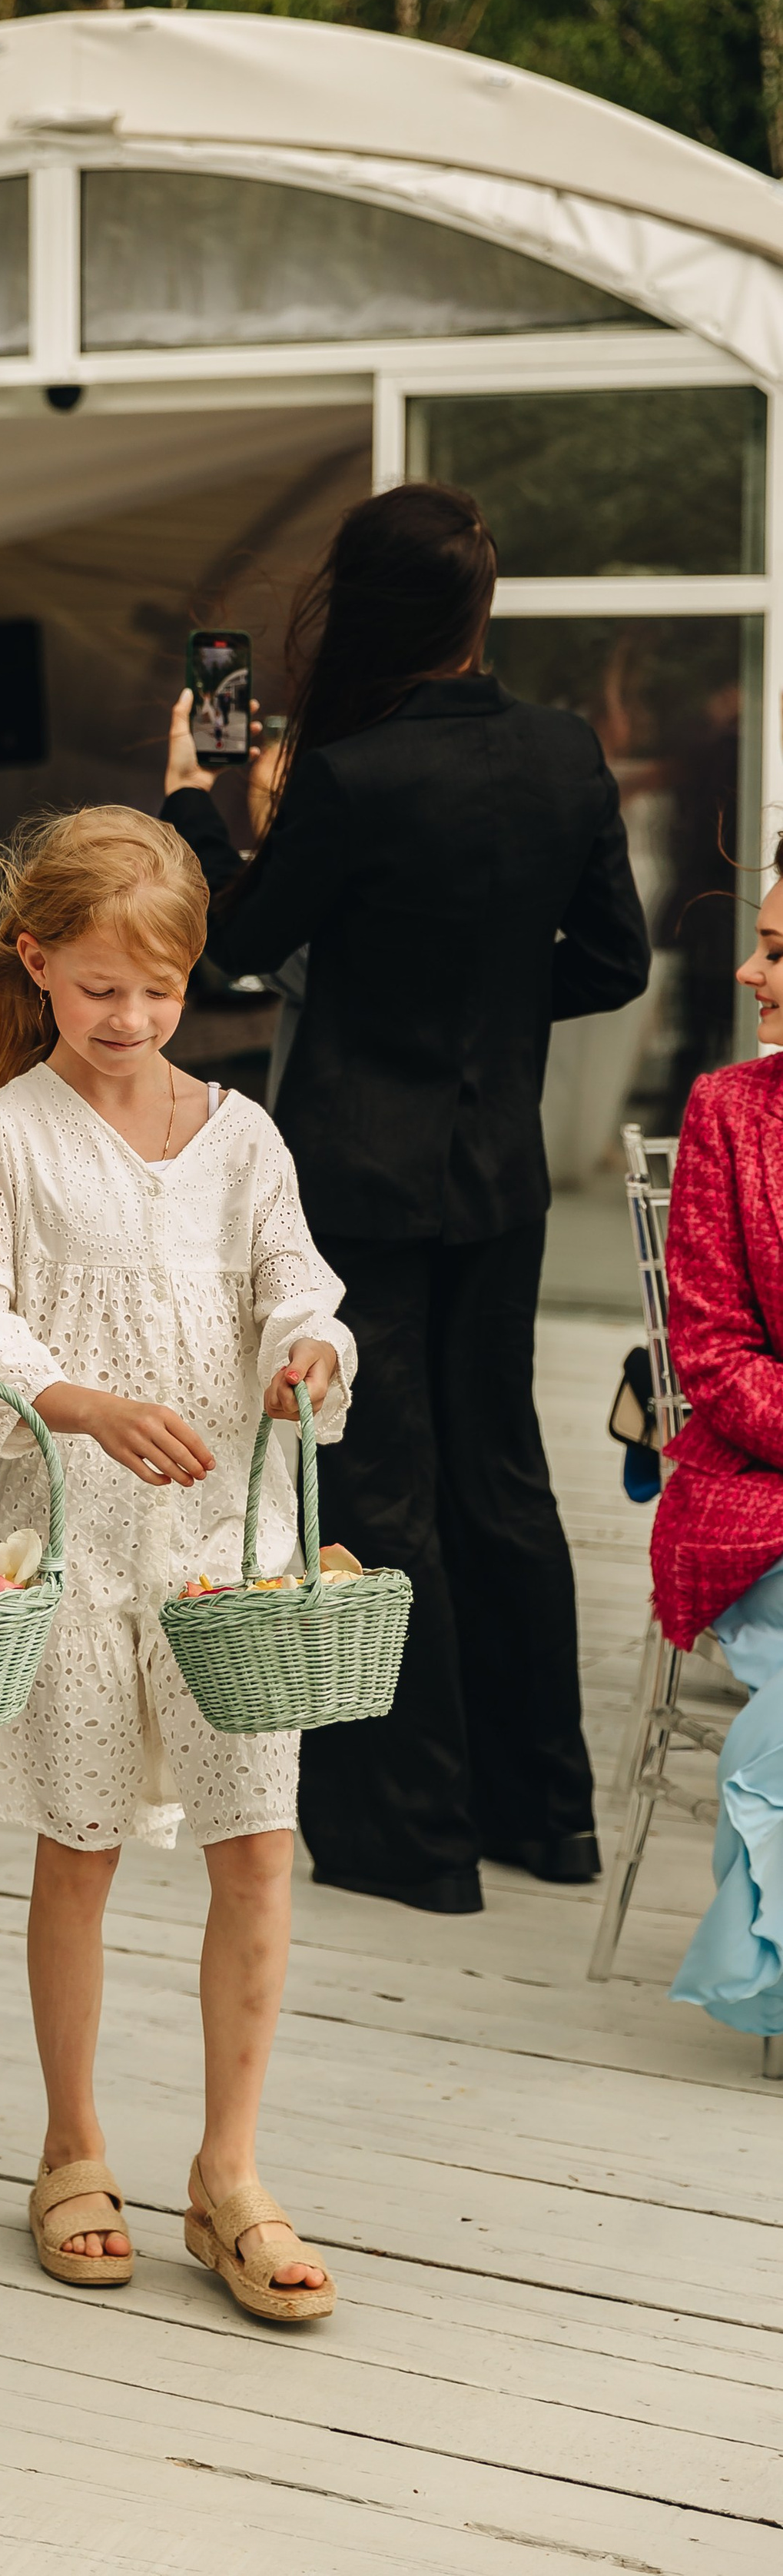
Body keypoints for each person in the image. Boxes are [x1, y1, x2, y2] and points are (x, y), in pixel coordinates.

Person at [0, 807, 351, 2323]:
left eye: (155, 991)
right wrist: (72, 1398)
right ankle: (70, 2145)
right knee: (76, 1844)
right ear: (36, 963)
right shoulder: (2, 1139)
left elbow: (297, 1286)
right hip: (73, 1543)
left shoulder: (242, 1137)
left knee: (255, 1843)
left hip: (228, 1548)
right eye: (97, 989)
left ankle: (229, 2169)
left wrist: (303, 1353)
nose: (129, 1019)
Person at [161, 483, 652, 1915]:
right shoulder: (565, 751)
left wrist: (201, 797)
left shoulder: (353, 774)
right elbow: (613, 963)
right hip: (497, 1172)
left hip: (357, 1182)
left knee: (381, 1489)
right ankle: (545, 1815)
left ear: (365, 610)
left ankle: (414, 1838)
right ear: (479, 611)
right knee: (504, 1480)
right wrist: (495, 1015)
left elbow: (241, 947)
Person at [653, 854, 783, 2040]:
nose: (749, 968)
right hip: (758, 1500)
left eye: (781, 952)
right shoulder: (729, 1112)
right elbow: (714, 1353)